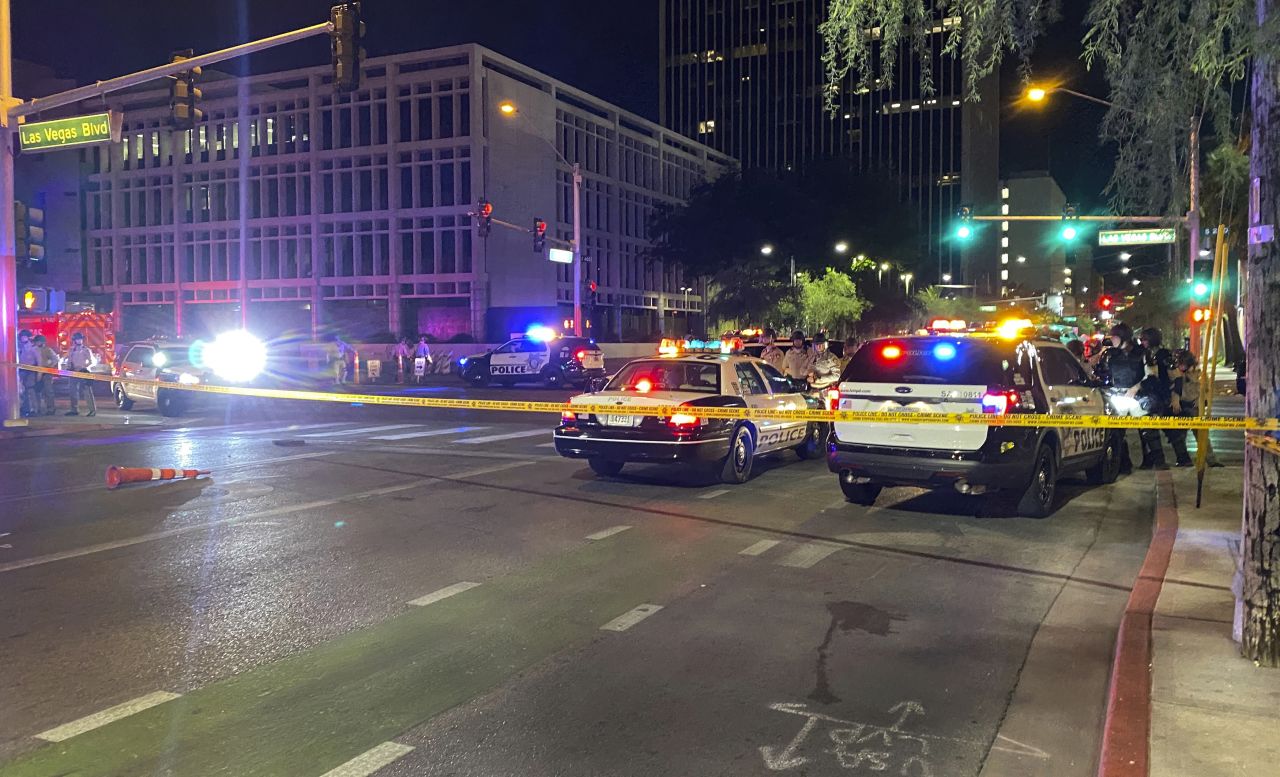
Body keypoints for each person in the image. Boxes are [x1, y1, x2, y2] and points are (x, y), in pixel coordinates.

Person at [1095, 322, 1160, 472]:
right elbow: (1102, 374)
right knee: (1116, 433)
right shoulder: (1110, 354)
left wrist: (1136, 388)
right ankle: (1122, 464)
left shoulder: (1143, 353)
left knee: (1147, 431)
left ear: (1124, 337)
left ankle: (1155, 461)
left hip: (1139, 396)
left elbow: (1152, 375)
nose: (1113, 340)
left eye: (1115, 337)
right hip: (1117, 395)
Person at [64, 332, 99, 416]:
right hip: (73, 372)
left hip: (84, 372)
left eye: (80, 339)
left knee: (87, 392)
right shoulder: (72, 350)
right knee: (73, 392)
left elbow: (93, 362)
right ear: (74, 340)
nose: (79, 341)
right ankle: (74, 409)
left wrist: (85, 367)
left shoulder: (86, 350)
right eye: (77, 339)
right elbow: (69, 360)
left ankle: (92, 410)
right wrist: (68, 368)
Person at [32, 335, 59, 415]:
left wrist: (49, 367)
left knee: (48, 391)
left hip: (46, 373)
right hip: (36, 372)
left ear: (43, 342)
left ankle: (51, 408)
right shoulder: (33, 350)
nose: (38, 343)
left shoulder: (47, 350)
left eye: (39, 341)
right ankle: (38, 408)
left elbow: (55, 359)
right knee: (37, 391)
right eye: (37, 341)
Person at [17, 329, 38, 416]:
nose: (23, 338)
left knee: (31, 390)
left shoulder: (33, 348)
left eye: (24, 337)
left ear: (28, 338)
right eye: (22, 337)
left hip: (30, 372)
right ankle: (26, 408)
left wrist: (38, 373)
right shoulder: (19, 347)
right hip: (22, 371)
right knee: (22, 391)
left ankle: (34, 409)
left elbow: (38, 360)